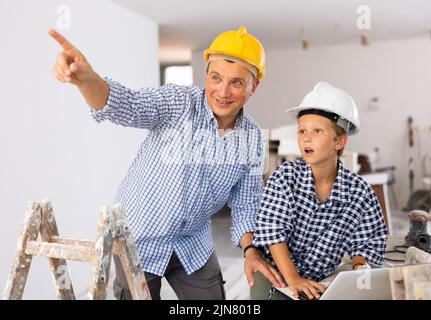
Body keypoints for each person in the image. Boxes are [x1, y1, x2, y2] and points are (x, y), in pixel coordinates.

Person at [48, 26, 285, 300]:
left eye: (237, 82)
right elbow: (127, 105)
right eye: (216, 77)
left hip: (193, 243)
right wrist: (86, 80)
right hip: (137, 240)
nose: (223, 91)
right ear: (206, 74)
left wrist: (251, 252)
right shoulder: (177, 102)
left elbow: (246, 203)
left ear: (253, 86)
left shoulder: (252, 138)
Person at [251, 82, 388, 300]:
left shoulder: (359, 192)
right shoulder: (285, 177)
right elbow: (273, 232)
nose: (306, 137)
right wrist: (294, 279)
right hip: (274, 275)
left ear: (339, 141)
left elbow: (369, 241)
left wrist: (360, 267)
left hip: (318, 282)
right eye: (302, 130)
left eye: (317, 131)